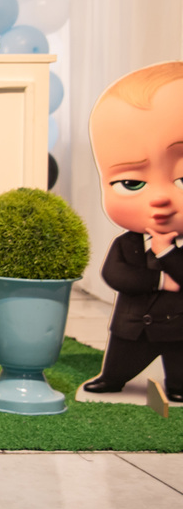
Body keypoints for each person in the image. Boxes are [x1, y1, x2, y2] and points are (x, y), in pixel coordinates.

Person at [83, 62, 183, 402]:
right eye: (131, 183)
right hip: (131, 325)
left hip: (176, 325)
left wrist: (168, 253)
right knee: (119, 360)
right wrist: (158, 281)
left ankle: (179, 386)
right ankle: (111, 379)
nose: (159, 198)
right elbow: (115, 274)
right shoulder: (127, 243)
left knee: (179, 361)